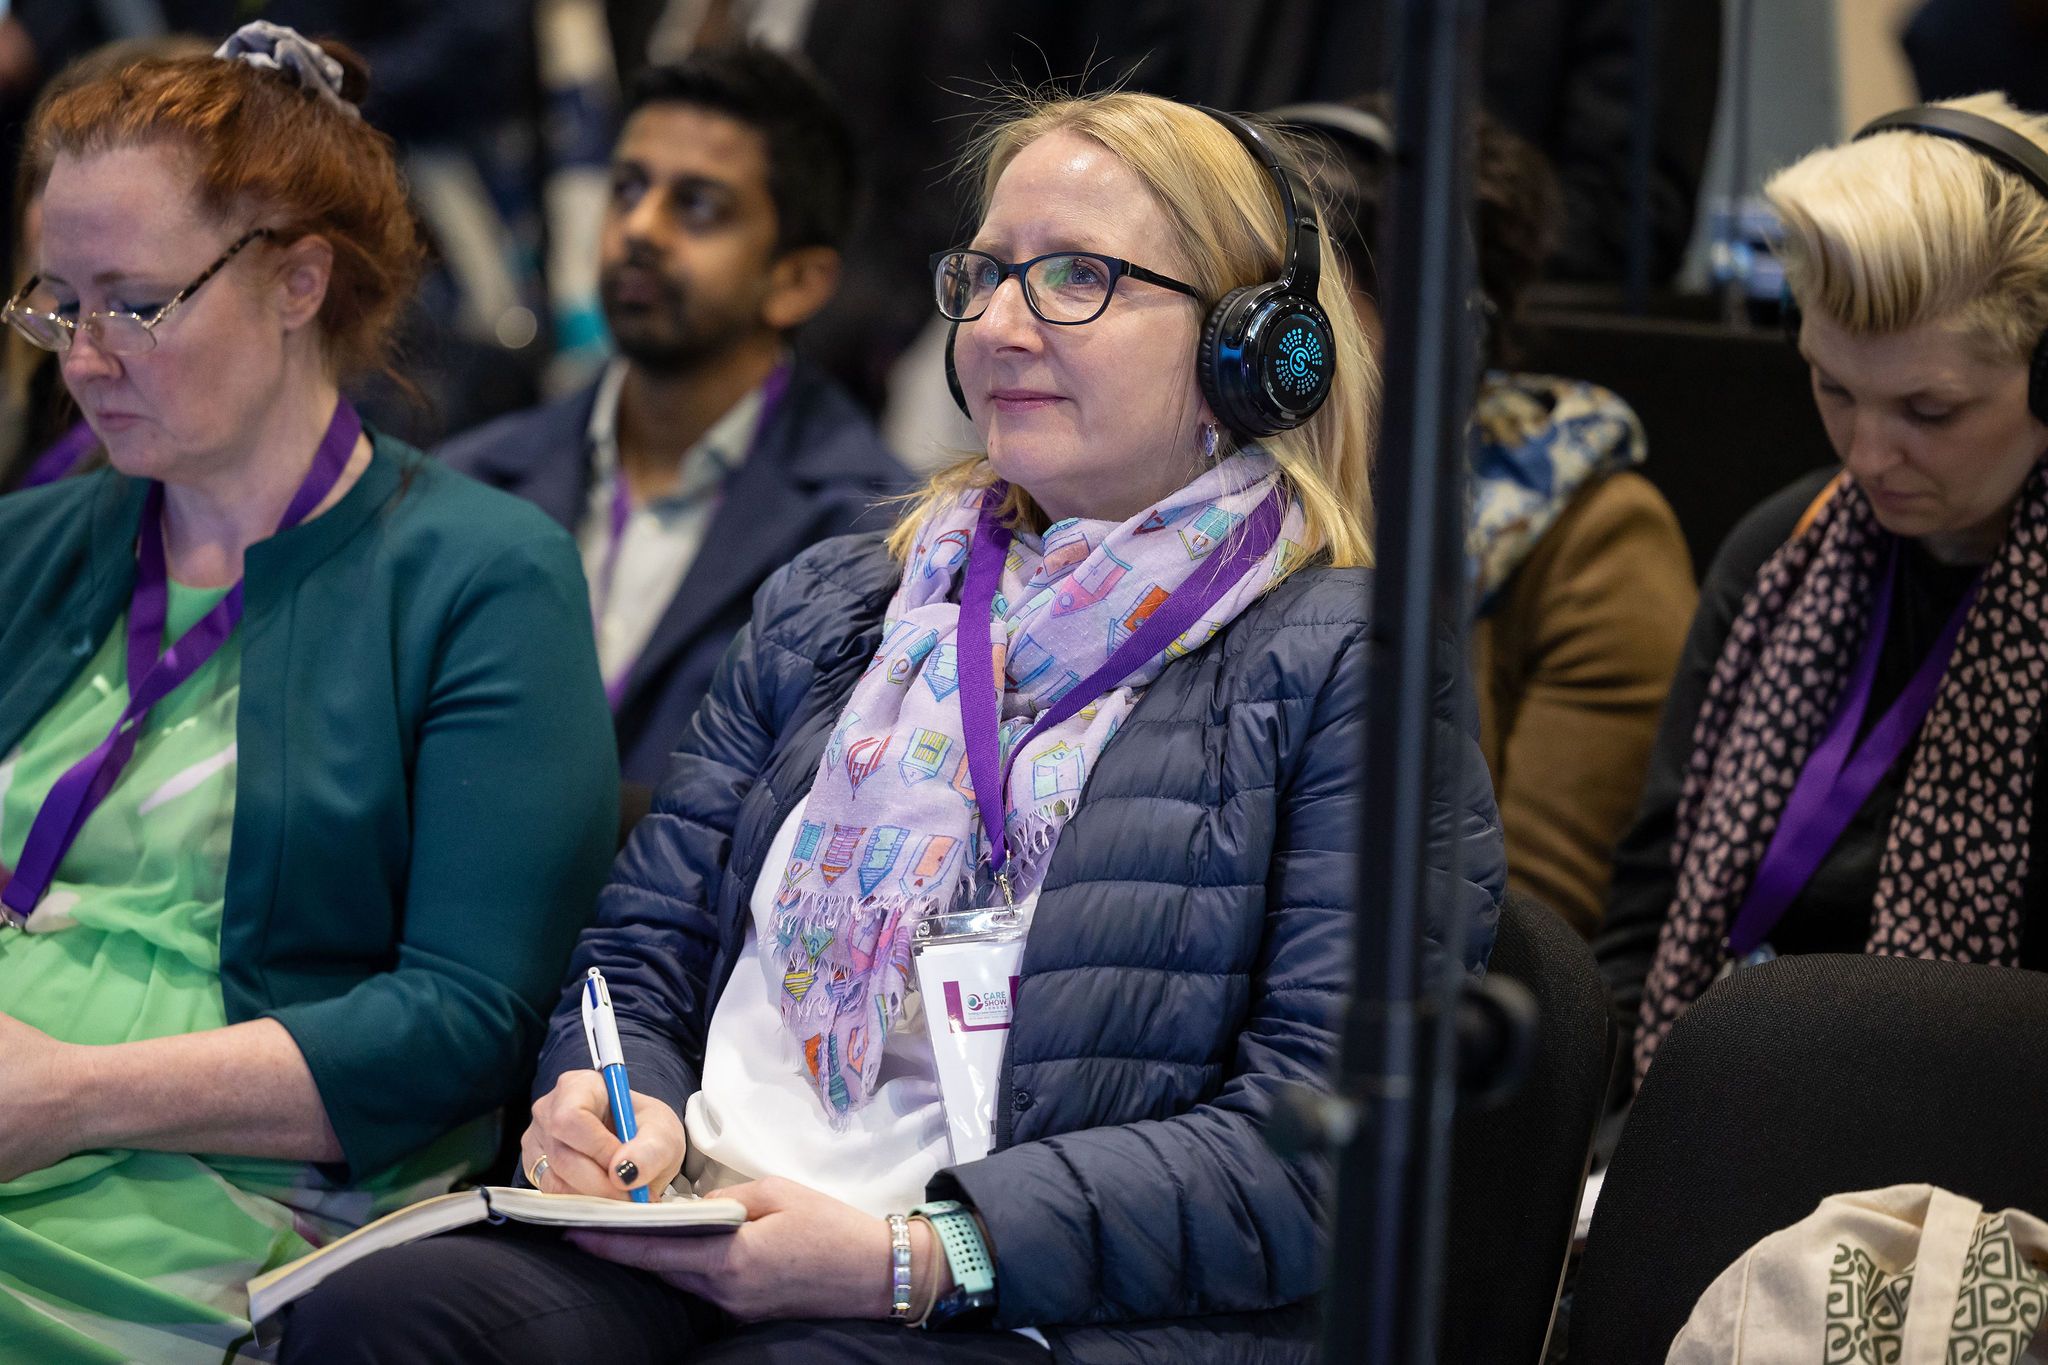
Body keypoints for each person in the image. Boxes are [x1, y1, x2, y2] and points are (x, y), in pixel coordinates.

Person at [279, 90, 1506, 1363]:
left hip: (1021, 1304)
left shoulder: (1347, 659)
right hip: (699, 1222)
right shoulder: (843, 595)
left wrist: (912, 1260)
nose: (999, 324)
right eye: (983, 276)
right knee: (378, 1323)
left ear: (1251, 348)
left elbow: (1320, 1151)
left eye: (1076, 278)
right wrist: (604, 1093)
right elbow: (644, 946)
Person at [0, 24, 618, 1359]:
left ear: (297, 281)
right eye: (56, 302)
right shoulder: (32, 545)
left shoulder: (479, 576)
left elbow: (460, 1023)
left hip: (213, 1203)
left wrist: (68, 1095)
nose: (83, 357)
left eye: (135, 303)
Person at [1598, 93, 2048, 1083]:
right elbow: (1649, 898)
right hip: (1728, 1110)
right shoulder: (1779, 550)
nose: (1867, 454)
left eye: (1929, 410)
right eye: (1832, 388)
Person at [439, 43, 907, 806]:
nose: (640, 228)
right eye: (627, 189)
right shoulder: (469, 487)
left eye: (697, 205)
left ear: (797, 281)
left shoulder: (874, 538)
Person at [1286, 96, 1696, 935]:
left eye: (1312, 298)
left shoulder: (1598, 539)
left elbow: (1530, 938)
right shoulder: (1200, 503)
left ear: (1448, 336)